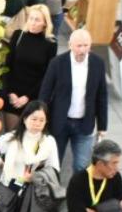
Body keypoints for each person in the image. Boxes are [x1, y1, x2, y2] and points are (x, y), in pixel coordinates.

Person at [38, 28, 109, 170]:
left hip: (85, 124)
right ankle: (52, 191)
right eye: (79, 46)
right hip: (59, 123)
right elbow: (45, 92)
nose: (82, 50)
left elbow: (102, 95)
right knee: (53, 164)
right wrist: (41, 120)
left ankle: (76, 192)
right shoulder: (57, 63)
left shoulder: (98, 63)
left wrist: (102, 126)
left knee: (82, 165)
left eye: (86, 45)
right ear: (70, 45)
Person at [1, 5, 58, 132]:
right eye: (31, 18)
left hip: (33, 97)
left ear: (45, 23)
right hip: (13, 95)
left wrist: (27, 97)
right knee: (11, 135)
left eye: (37, 20)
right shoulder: (18, 36)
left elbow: (46, 75)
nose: (32, 22)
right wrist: (10, 93)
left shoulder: (50, 44)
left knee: (28, 136)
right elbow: (8, 66)